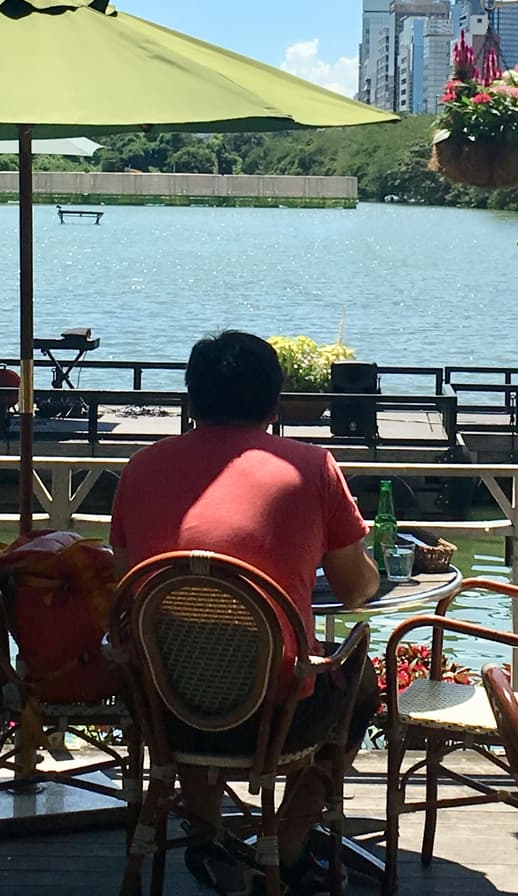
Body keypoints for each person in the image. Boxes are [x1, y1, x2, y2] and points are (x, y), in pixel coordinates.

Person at [112, 330, 379, 894]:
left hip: (167, 711)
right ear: (275, 404)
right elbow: (355, 591)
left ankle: (208, 834)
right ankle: (287, 841)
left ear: (191, 400)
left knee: (187, 653)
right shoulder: (311, 466)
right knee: (360, 679)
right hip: (274, 720)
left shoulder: (140, 469)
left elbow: (128, 591)